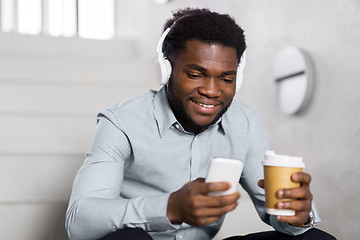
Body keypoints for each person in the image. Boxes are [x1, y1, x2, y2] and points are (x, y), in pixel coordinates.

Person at [65, 8, 336, 240]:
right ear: (167, 70)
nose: (211, 90)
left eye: (226, 79)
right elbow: (79, 220)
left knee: (315, 238)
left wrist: (297, 215)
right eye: (196, 74)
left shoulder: (245, 122)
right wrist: (170, 207)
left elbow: (276, 210)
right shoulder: (121, 122)